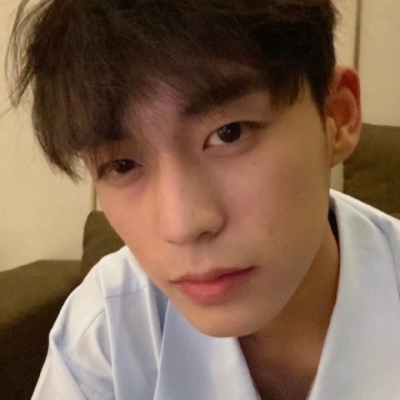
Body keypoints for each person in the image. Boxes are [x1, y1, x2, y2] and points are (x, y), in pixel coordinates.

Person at [8, 0, 400, 399]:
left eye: (230, 133)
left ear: (337, 116)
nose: (182, 225)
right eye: (122, 164)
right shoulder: (106, 331)